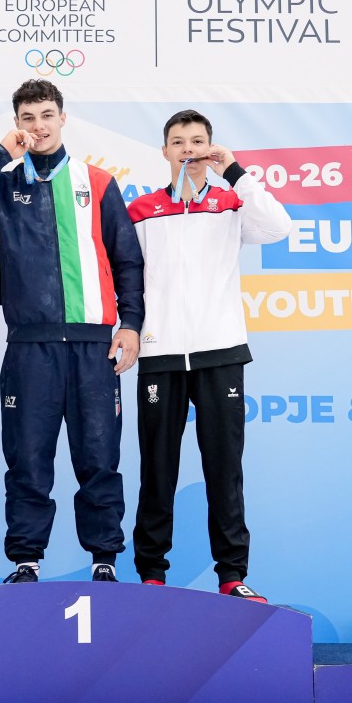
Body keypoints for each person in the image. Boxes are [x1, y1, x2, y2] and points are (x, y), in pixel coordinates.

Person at [0, 79, 144, 584]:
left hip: (93, 347)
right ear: (17, 125)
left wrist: (132, 324)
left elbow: (127, 260)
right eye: (28, 118)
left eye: (47, 115)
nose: (39, 126)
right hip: (30, 348)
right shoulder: (4, 183)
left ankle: (104, 560)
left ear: (62, 118)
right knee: (28, 461)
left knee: (99, 459)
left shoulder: (97, 182)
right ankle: (26, 561)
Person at [127, 109, 291, 603]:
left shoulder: (231, 204)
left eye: (198, 141)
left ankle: (232, 576)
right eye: (179, 142)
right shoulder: (143, 210)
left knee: (224, 468)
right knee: (157, 469)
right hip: (160, 354)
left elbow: (278, 226)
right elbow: (126, 277)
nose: (188, 150)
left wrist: (234, 170)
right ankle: (151, 575)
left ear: (210, 148)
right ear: (164, 152)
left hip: (221, 353)